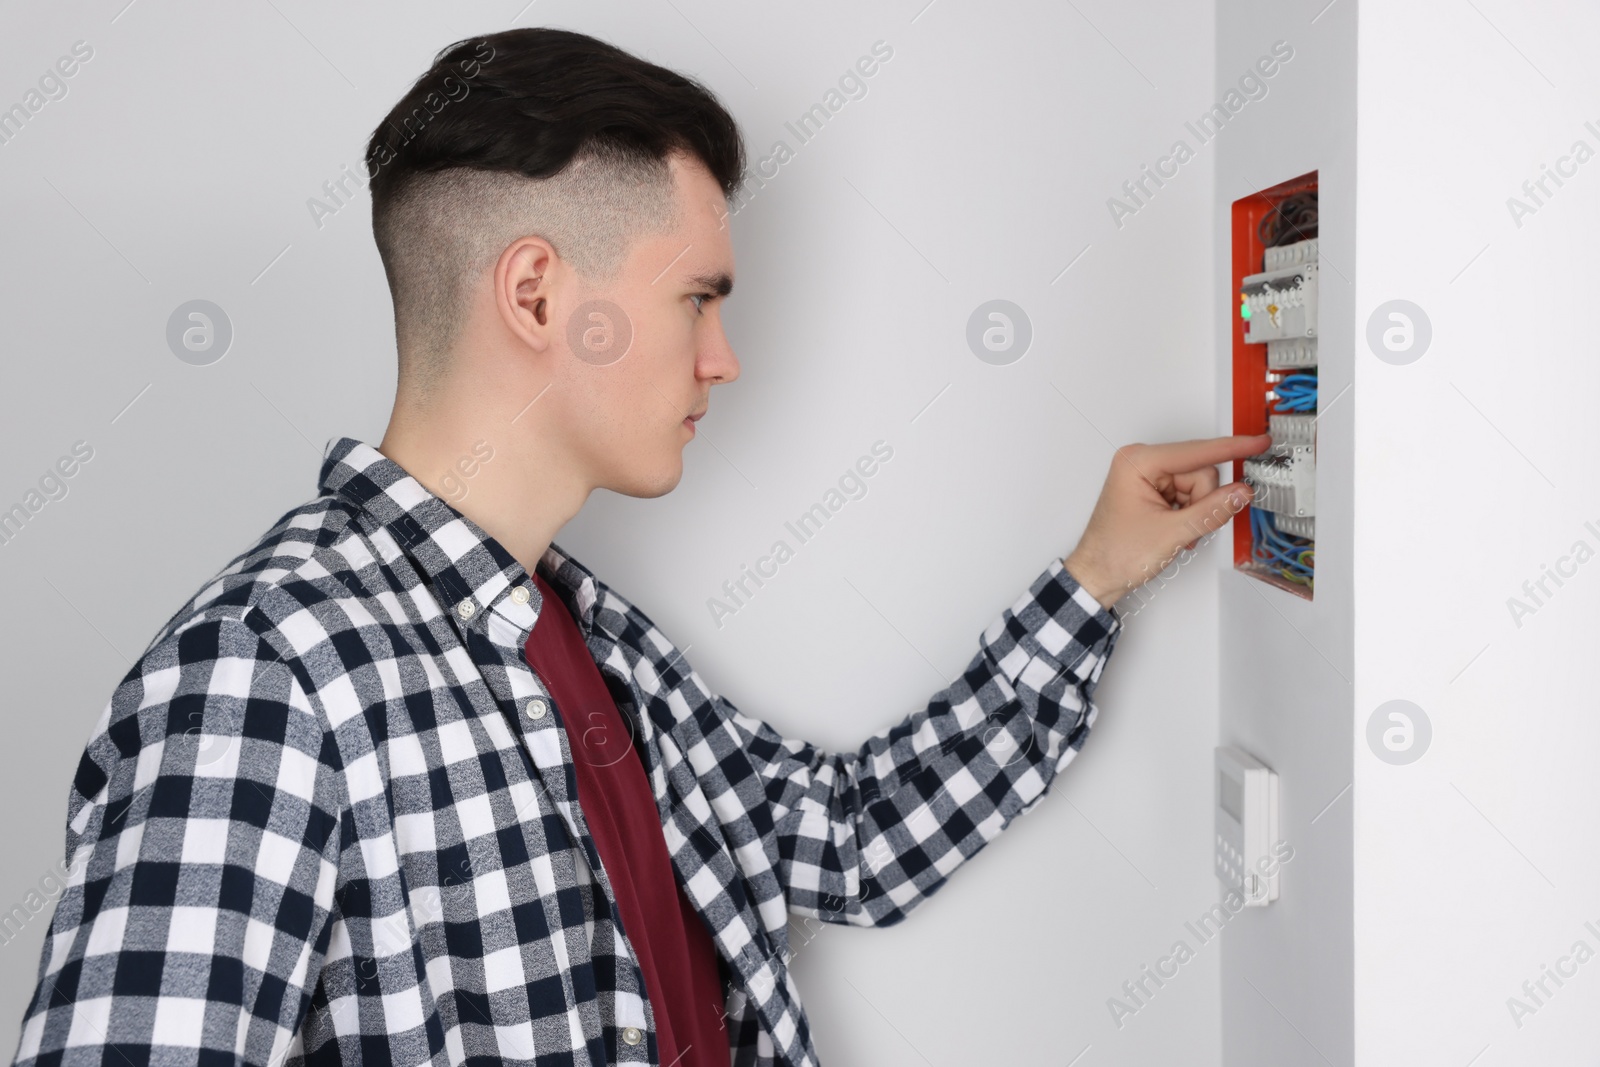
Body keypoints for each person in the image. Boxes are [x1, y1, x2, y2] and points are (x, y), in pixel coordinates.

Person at [8, 26, 1267, 1067]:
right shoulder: (264, 679)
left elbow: (843, 838)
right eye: (698, 297)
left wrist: (1095, 577)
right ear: (540, 295)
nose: (724, 356)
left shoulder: (589, 638)